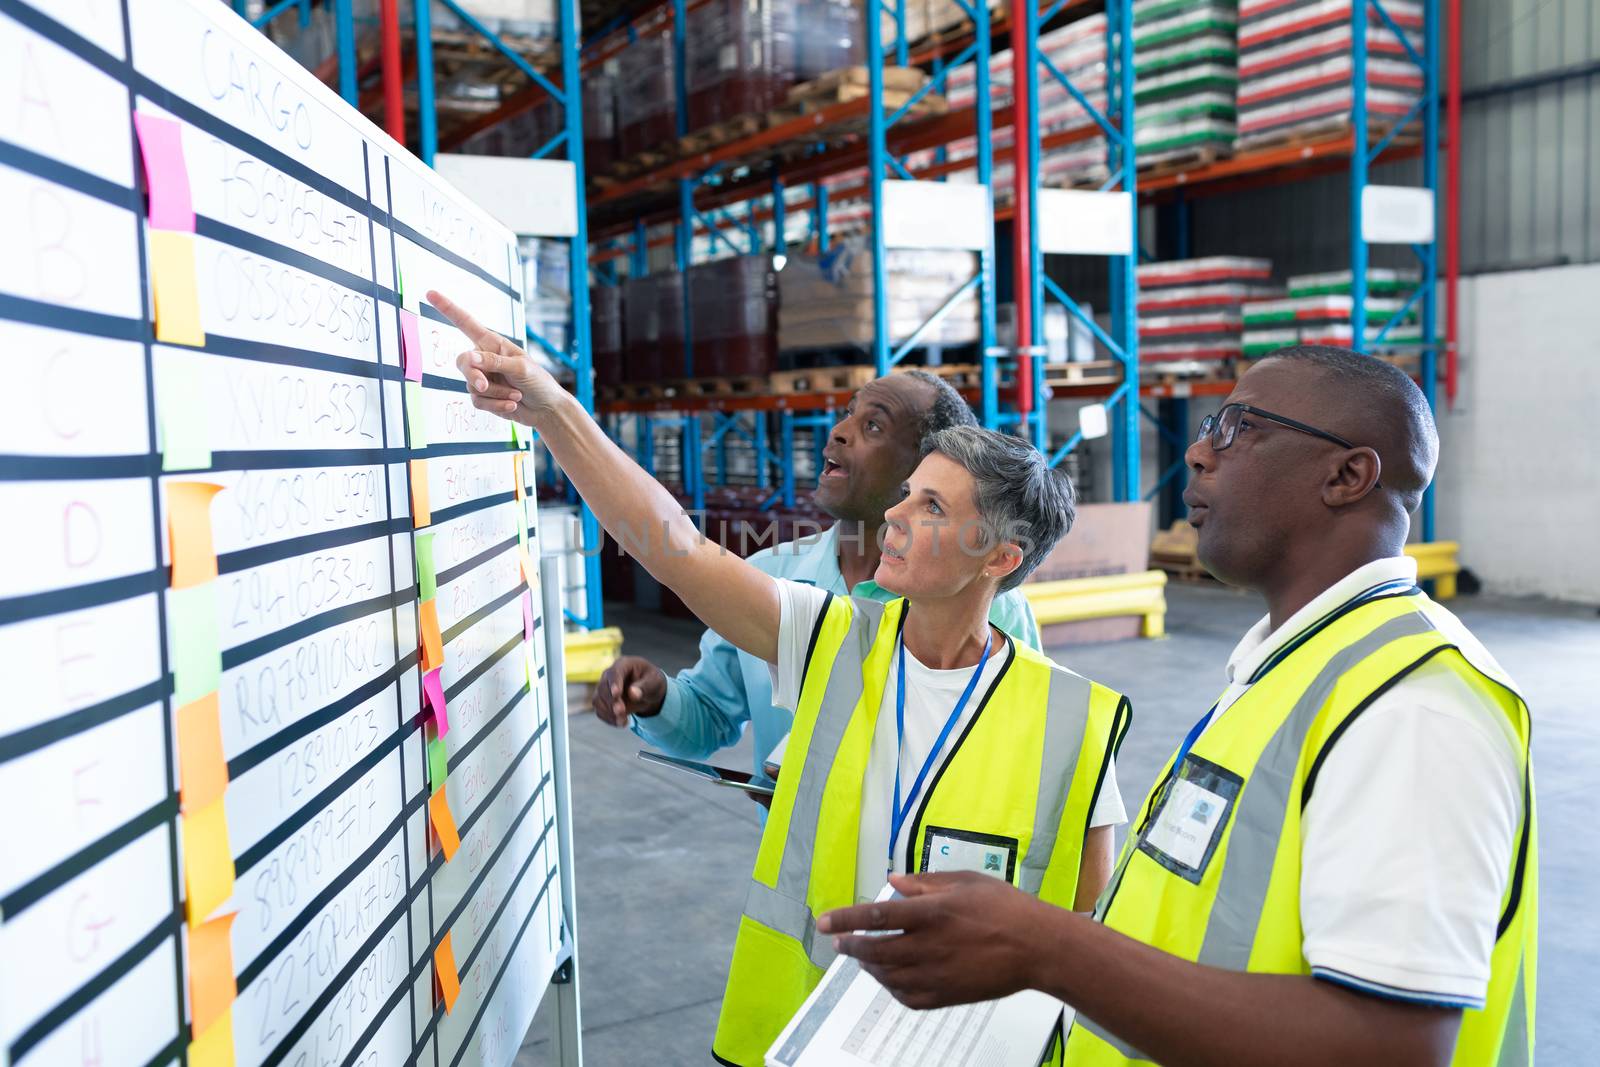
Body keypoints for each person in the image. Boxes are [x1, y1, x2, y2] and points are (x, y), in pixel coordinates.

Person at [428, 289, 1132, 1067]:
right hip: (816, 1028)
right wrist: (556, 411)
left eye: (929, 504)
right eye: (904, 496)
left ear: (1000, 557)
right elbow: (676, 547)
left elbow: (1086, 916)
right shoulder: (830, 639)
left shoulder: (1068, 714)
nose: (895, 516)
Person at [818, 346, 1536, 1067]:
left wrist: (1045, 945)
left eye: (1235, 427)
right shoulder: (1289, 669)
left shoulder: (1412, 705)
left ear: (1347, 476)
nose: (1196, 452)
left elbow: (1392, 1045)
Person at [593, 371, 1043, 789]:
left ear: (925, 468)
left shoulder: (994, 605)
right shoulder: (768, 575)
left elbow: (1017, 761)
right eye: (849, 412)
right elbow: (709, 717)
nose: (839, 430)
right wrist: (656, 701)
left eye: (873, 426)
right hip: (803, 871)